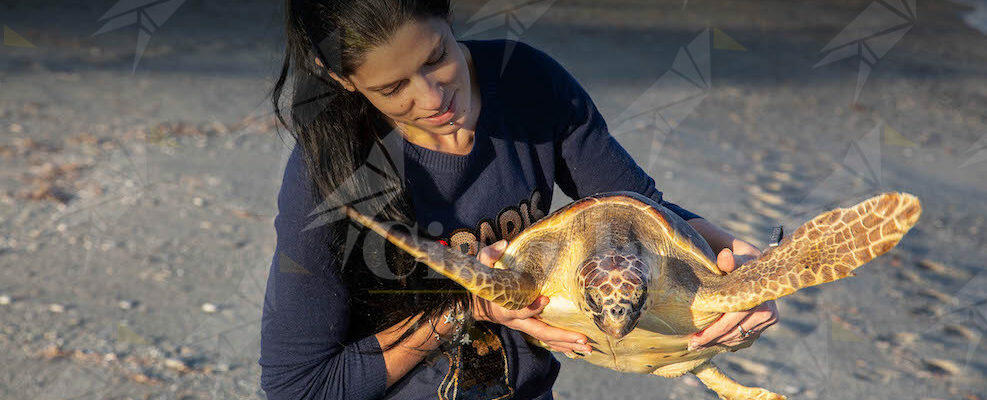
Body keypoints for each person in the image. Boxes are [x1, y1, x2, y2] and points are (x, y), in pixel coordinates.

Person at [259, 1, 779, 399]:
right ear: (343, 80)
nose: (434, 97)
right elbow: (299, 385)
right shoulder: (329, 176)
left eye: (437, 57)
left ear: (447, 15)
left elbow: (636, 208)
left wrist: (745, 264)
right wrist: (471, 307)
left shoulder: (526, 83)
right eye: (394, 87)